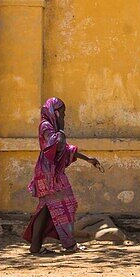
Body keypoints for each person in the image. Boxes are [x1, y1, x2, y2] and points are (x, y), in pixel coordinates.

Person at [22, 97, 104, 254]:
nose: (64, 117)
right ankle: (68, 244)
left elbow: (66, 149)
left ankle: (36, 247)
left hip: (51, 173)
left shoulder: (52, 128)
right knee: (66, 205)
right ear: (56, 113)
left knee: (47, 208)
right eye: (63, 113)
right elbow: (57, 145)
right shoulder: (46, 127)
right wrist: (61, 132)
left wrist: (88, 160)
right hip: (48, 174)